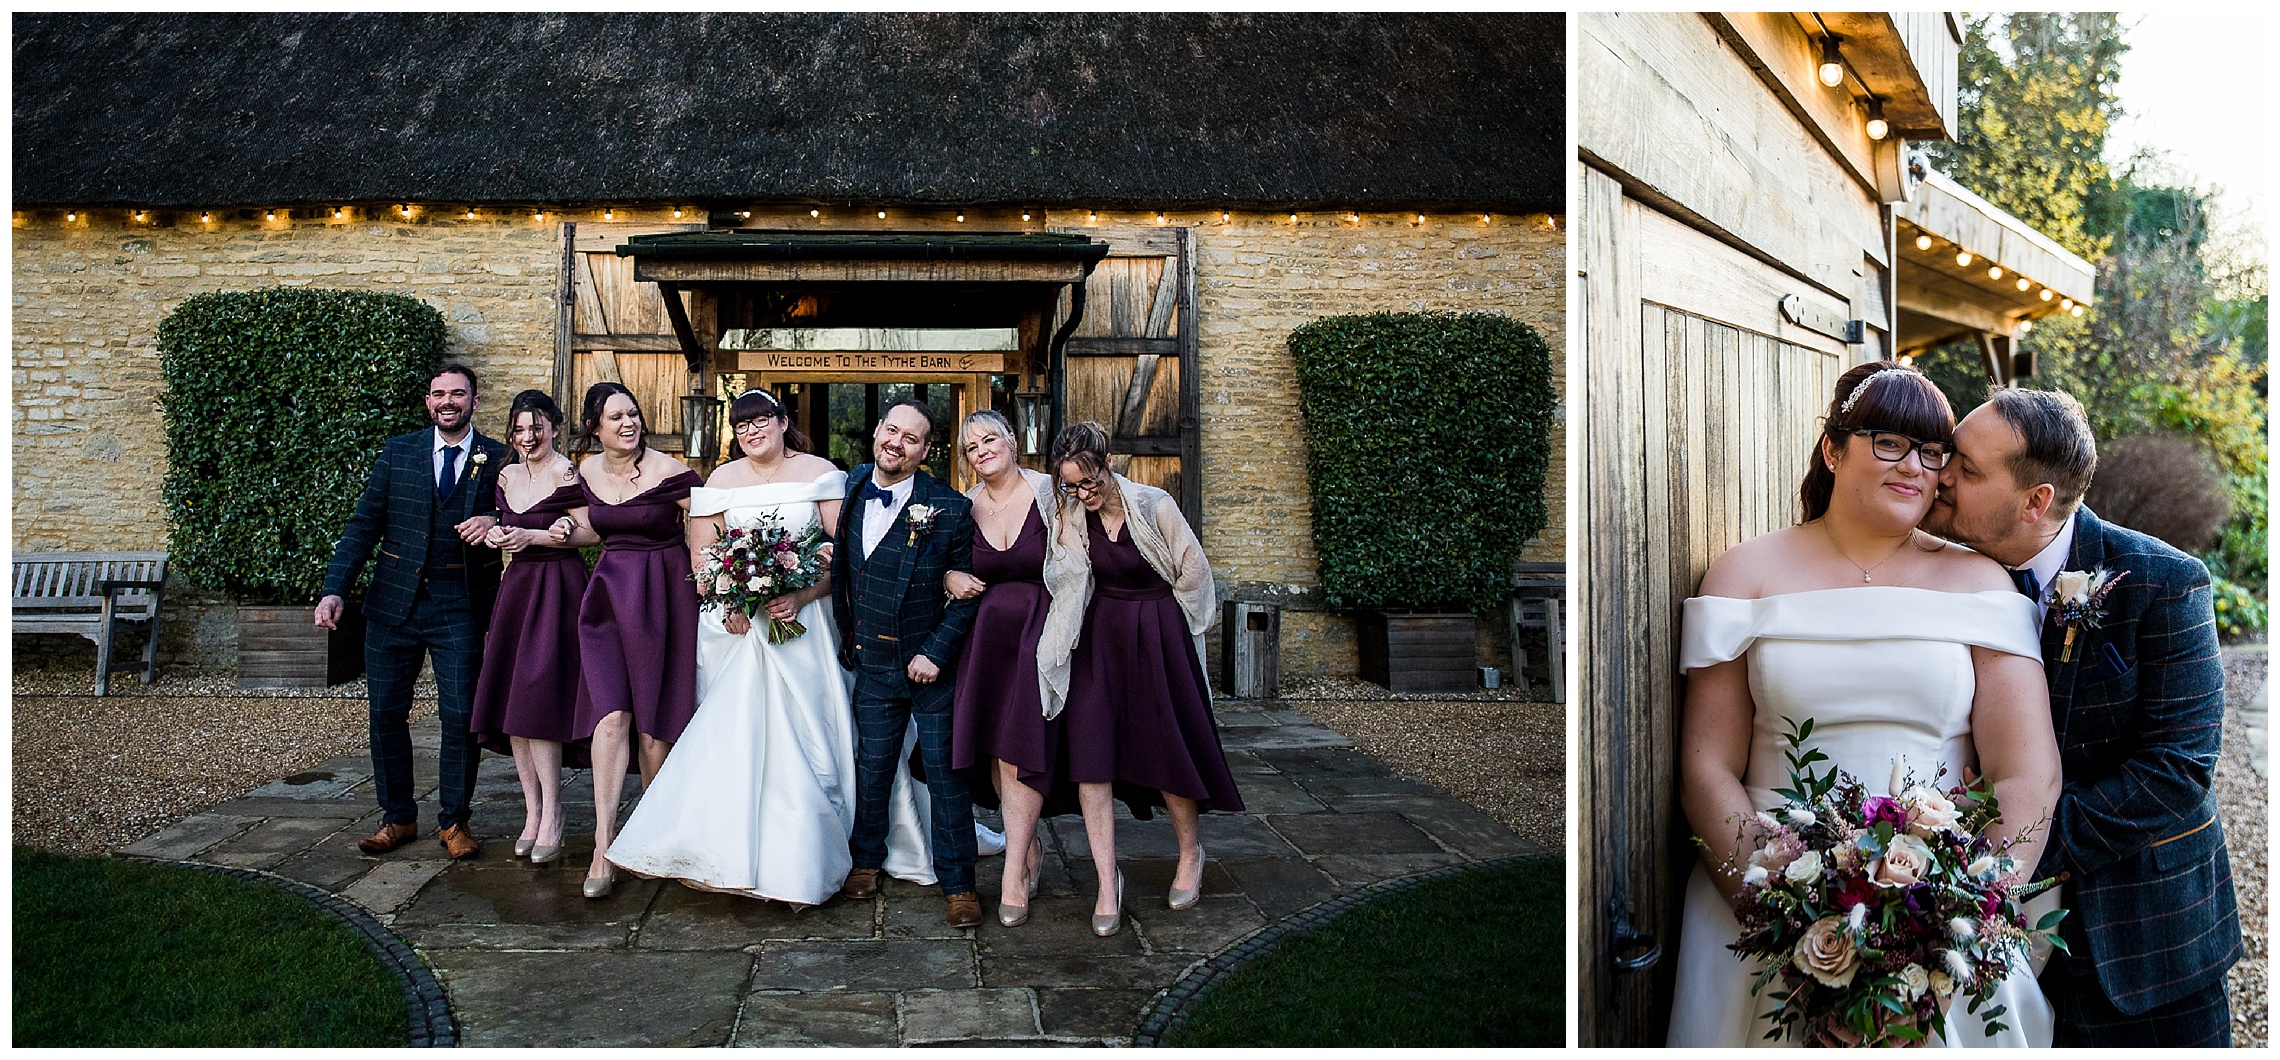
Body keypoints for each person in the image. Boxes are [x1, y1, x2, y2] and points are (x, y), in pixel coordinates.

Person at [1668, 361, 2063, 1047]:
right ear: (1832, 448)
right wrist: (1777, 911)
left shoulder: (1981, 585)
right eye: (1888, 441)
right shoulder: (1744, 574)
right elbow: (1706, 764)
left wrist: (1960, 915)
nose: (1914, 466)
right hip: (1762, 901)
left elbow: (2028, 775)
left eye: (1931, 449)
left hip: (1938, 905)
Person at [1923, 386, 2241, 1046]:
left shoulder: (2162, 582)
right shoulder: (1929, 572)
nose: (1942, 475)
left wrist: (2003, 849)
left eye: (1970, 469)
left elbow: (2176, 770)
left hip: (2144, 947)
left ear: (2036, 501)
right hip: (1977, 960)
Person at [605, 389, 937, 903]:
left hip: (805, 627)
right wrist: (731, 597)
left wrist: (800, 594)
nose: (752, 432)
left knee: (814, 739)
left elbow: (841, 554)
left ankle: (819, 847)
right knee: (740, 737)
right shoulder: (720, 481)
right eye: (742, 427)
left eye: (761, 421)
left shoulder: (821, 473)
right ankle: (733, 846)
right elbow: (704, 558)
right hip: (738, 629)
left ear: (783, 422)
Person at [1039, 422, 1244, 938]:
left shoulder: (1154, 505)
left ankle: (1189, 854)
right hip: (1100, 639)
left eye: (1090, 483)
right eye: (1071, 486)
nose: (1083, 494)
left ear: (1109, 466)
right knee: (1092, 756)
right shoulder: (1069, 513)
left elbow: (1194, 574)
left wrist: (1179, 636)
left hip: (1157, 634)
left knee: (1167, 748)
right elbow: (1065, 574)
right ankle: (1109, 882)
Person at [315, 362, 507, 861]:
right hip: (392, 605)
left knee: (461, 717)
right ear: (428, 401)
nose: (449, 401)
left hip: (460, 605)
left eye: (458, 394)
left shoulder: (499, 459)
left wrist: (495, 516)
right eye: (439, 394)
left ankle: (454, 821)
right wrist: (335, 589)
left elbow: (526, 513)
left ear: (474, 402)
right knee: (384, 714)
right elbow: (363, 524)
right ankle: (397, 817)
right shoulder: (399, 452)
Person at [830, 400, 986, 927]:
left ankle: (960, 884)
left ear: (925, 451)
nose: (896, 443)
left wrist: (935, 654)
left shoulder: (951, 509)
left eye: (911, 438)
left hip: (931, 669)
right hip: (871, 665)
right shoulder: (852, 486)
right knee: (871, 769)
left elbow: (968, 594)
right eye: (891, 431)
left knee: (945, 776)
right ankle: (866, 862)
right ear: (877, 432)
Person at [563, 382, 702, 898]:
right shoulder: (585, 472)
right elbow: (586, 530)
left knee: (654, 721)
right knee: (611, 713)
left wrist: (713, 574)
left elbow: (710, 521)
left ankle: (654, 829)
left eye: (634, 413)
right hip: (606, 599)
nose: (629, 422)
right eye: (616, 416)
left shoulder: (671, 471)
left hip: (664, 595)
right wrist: (546, 531)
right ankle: (604, 840)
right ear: (595, 427)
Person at [944, 410, 1070, 927]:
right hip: (985, 645)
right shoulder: (963, 508)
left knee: (1021, 747)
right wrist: (950, 575)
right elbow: (942, 566)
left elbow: (1080, 561)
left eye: (989, 439)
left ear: (1013, 441)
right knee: (996, 750)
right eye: (971, 448)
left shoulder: (1051, 494)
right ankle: (1027, 846)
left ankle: (1013, 870)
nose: (981, 451)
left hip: (1040, 639)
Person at [469, 390, 596, 866]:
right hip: (517, 589)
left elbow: (590, 532)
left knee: (538, 700)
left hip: (558, 590)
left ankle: (556, 815)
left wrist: (540, 535)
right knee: (513, 704)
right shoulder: (505, 474)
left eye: (537, 427)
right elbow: (505, 524)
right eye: (520, 430)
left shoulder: (569, 473)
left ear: (555, 428)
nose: (528, 437)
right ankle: (532, 812)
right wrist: (499, 533)